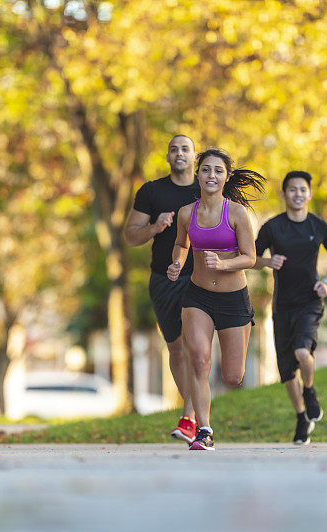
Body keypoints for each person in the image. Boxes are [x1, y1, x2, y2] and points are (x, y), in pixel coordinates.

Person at [167, 147, 265, 451]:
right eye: (206, 169)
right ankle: (204, 429)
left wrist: (223, 264)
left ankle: (203, 423)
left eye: (218, 170)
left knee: (233, 376)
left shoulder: (235, 213)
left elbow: (250, 257)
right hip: (197, 297)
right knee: (198, 359)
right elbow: (182, 245)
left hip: (234, 299)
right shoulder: (187, 213)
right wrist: (175, 265)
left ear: (226, 177)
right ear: (197, 174)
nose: (211, 175)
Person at [253, 170, 327, 445]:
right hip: (281, 305)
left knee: (303, 352)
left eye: (303, 189)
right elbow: (250, 258)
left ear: (309, 194)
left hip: (309, 301)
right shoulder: (271, 227)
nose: (298, 194)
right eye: (292, 189)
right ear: (283, 194)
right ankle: (302, 416)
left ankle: (310, 391)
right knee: (288, 371)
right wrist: (268, 263)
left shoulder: (318, 226)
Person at [125, 134, 200, 443]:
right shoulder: (151, 192)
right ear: (168, 157)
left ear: (194, 156)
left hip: (200, 277)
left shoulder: (207, 188)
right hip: (163, 279)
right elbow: (131, 235)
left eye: (185, 149)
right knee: (176, 348)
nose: (179, 153)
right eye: (174, 149)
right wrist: (155, 227)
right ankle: (194, 413)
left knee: (196, 347)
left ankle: (191, 417)